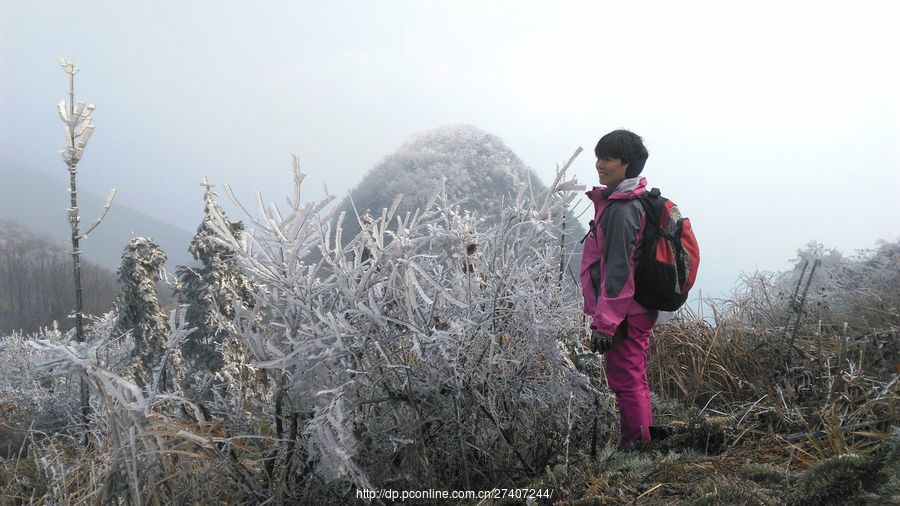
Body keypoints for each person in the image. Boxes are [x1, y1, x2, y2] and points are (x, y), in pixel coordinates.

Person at [580, 129, 659, 449]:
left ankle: (635, 449)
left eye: (609, 159)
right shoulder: (622, 202)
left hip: (625, 311)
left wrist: (605, 324)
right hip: (633, 308)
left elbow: (618, 270)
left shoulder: (623, 209)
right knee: (633, 378)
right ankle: (641, 443)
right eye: (598, 157)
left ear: (628, 164)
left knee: (626, 381)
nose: (600, 164)